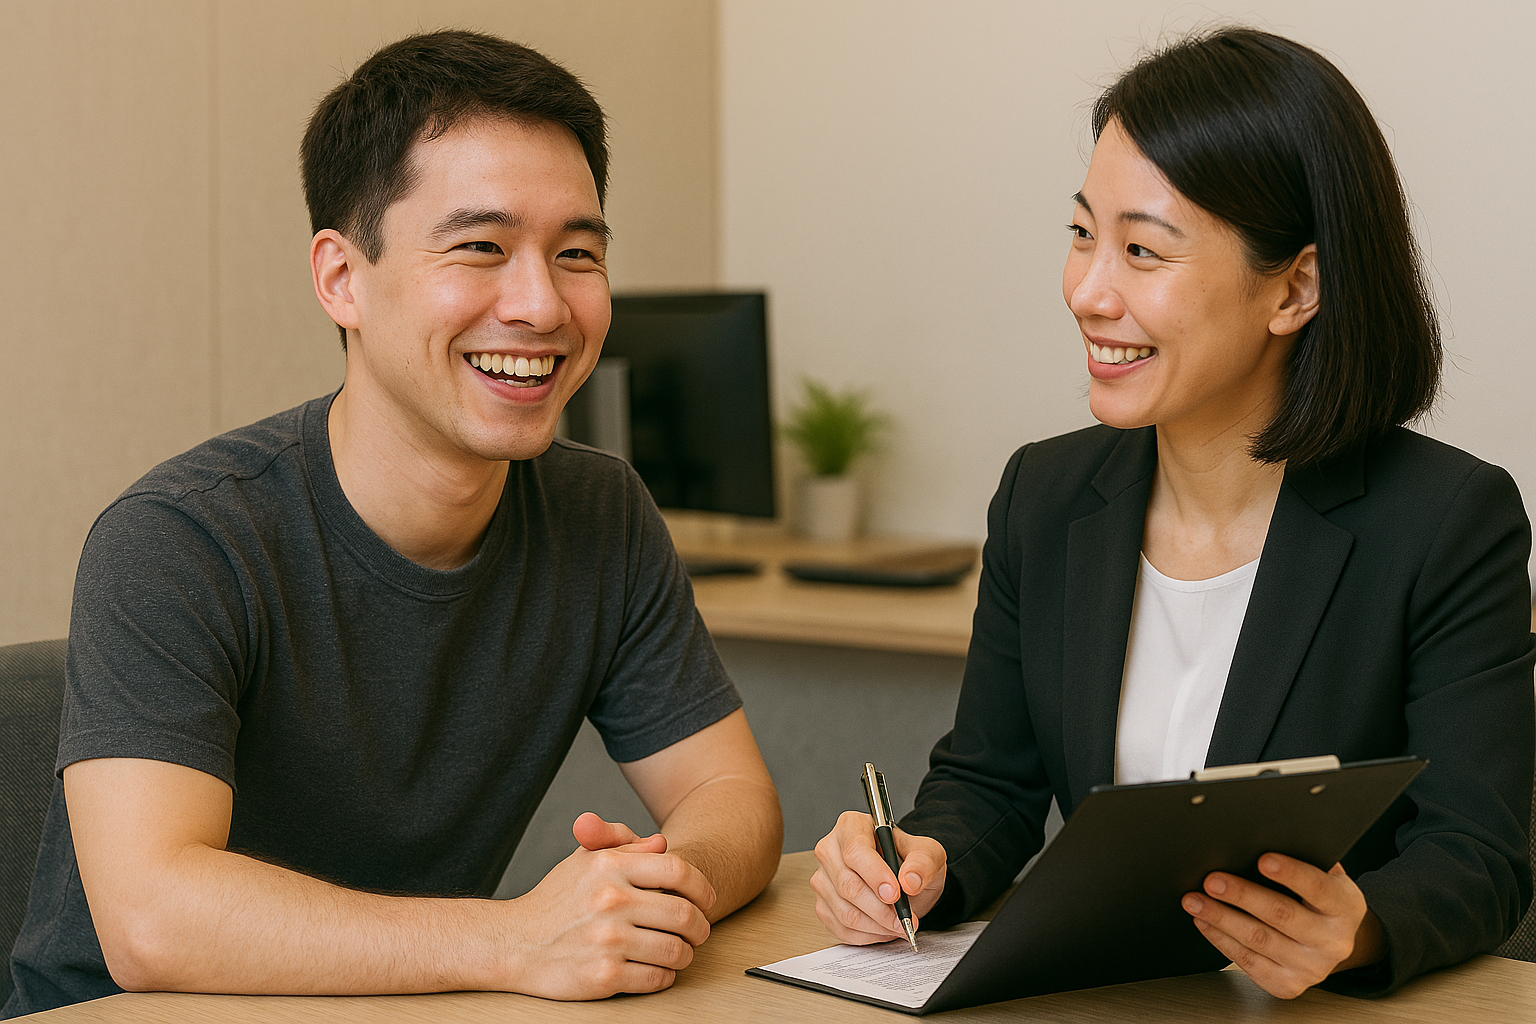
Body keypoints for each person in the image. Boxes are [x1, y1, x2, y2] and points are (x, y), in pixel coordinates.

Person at [5, 30, 782, 1018]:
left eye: (577, 254)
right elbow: (153, 918)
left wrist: (659, 889)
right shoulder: (181, 537)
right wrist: (516, 937)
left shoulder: (601, 513)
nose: (542, 303)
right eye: (482, 248)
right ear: (342, 279)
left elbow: (736, 797)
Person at [812, 26, 1534, 1000]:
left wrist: (1358, 929)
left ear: (1296, 288)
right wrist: (922, 858)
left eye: (1142, 249)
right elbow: (990, 784)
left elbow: (1479, 853)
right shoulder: (1045, 494)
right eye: (1081, 234)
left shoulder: (1447, 521)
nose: (1087, 290)